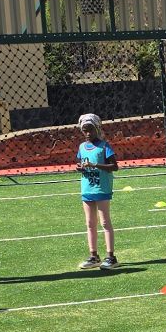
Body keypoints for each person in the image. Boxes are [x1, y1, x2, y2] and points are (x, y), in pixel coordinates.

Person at [76, 113, 118, 271]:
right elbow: (79, 163)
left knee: (105, 222)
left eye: (90, 130)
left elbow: (114, 166)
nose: (87, 133)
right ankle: (94, 256)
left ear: (97, 129)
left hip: (101, 188)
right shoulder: (81, 147)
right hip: (87, 189)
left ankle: (111, 257)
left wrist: (95, 165)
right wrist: (80, 167)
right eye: (85, 130)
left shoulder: (104, 146)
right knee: (90, 223)